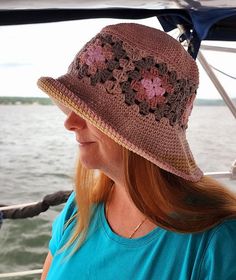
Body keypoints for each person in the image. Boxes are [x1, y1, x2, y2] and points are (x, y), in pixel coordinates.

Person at [37, 23, 236, 280]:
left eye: (90, 112)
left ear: (138, 135)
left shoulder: (218, 243)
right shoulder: (79, 209)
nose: (69, 123)